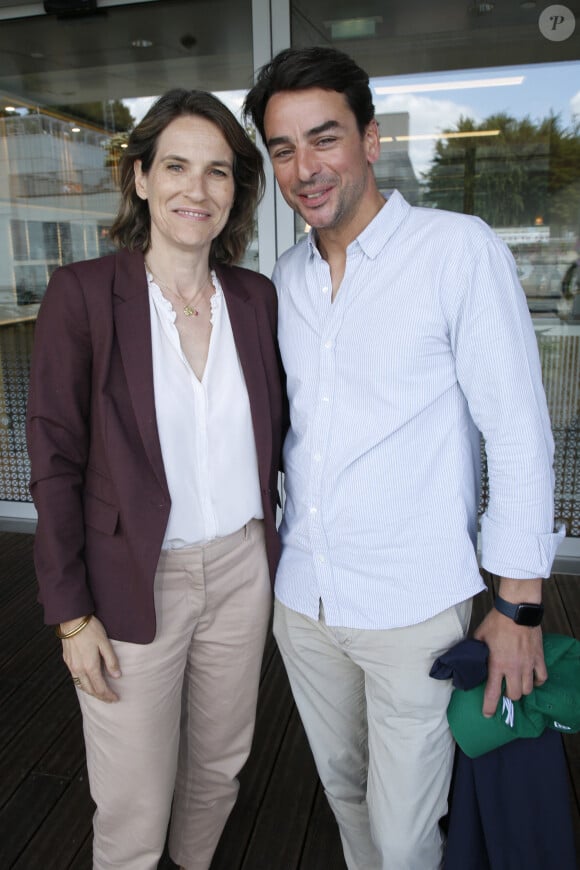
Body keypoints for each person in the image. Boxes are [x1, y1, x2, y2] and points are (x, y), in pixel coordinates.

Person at [244, 46, 564, 870]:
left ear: (372, 139)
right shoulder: (286, 278)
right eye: (283, 149)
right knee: (346, 793)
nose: (304, 168)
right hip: (305, 602)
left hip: (412, 605)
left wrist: (520, 605)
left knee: (404, 830)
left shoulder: (456, 251)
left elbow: (519, 431)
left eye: (324, 139)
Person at [26, 88, 285, 870]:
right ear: (140, 178)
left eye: (216, 172)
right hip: (133, 578)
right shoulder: (83, 296)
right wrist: (71, 617)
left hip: (243, 569)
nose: (194, 190)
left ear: (235, 190)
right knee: (134, 795)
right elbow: (55, 461)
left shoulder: (256, 299)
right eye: (175, 166)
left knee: (217, 767)